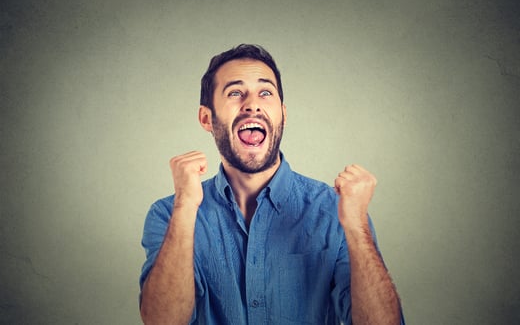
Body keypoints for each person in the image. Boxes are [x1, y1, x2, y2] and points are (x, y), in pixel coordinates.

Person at [139, 44, 404, 324]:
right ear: (207, 118)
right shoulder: (168, 214)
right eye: (235, 92)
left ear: (282, 114)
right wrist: (185, 206)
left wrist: (356, 227)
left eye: (265, 92)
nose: (252, 104)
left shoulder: (336, 211)